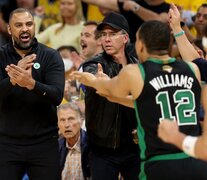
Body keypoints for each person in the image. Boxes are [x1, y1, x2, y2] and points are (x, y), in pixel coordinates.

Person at [72, 18, 207, 180]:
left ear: (140, 45)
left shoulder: (135, 72)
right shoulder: (193, 69)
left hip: (159, 162)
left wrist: (93, 81)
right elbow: (147, 102)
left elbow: (111, 89)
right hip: (194, 159)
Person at [0, 8, 65, 180]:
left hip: (44, 143)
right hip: (7, 144)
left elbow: (57, 96)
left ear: (34, 27)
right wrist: (12, 80)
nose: (24, 29)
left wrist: (31, 84)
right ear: (9, 29)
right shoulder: (1, 56)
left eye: (29, 24)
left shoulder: (50, 56)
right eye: (18, 25)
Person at [79, 12, 140, 180]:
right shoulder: (92, 64)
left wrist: (110, 84)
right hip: (102, 149)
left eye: (112, 34)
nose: (106, 39)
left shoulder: (139, 66)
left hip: (134, 148)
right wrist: (101, 83)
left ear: (125, 38)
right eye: (103, 35)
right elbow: (95, 83)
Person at [57, 102, 90, 180]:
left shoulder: (92, 146)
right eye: (62, 120)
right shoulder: (55, 148)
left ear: (81, 121)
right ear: (58, 124)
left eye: (71, 119)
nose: (67, 125)